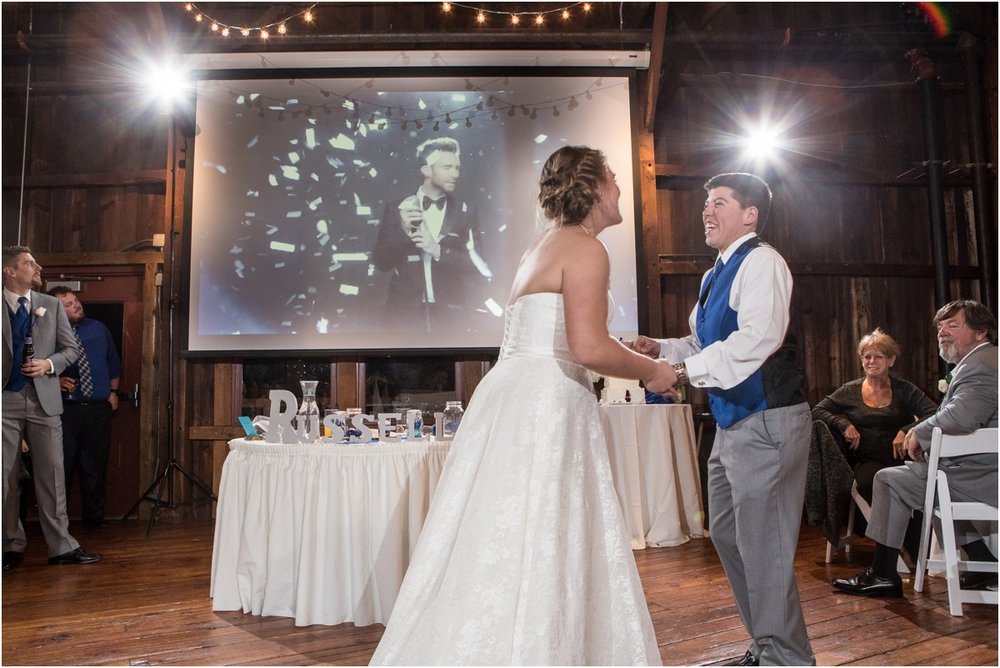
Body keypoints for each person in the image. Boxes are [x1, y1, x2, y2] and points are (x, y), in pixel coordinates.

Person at [369, 146, 678, 665]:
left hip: (514, 390)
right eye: (615, 179)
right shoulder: (585, 247)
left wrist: (627, 346)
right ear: (595, 189)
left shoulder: (545, 245)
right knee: (545, 528)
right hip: (547, 402)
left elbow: (557, 333)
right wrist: (653, 371)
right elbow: (585, 347)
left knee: (502, 528)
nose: (621, 188)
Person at [630, 173, 813, 666]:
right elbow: (702, 343)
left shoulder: (763, 262)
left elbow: (757, 338)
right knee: (731, 537)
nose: (706, 211)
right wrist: (660, 349)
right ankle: (768, 645)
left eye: (719, 203)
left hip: (768, 421)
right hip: (731, 424)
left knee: (765, 547)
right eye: (705, 203)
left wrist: (681, 372)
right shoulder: (715, 274)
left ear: (750, 214)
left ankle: (786, 659)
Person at [833, 299, 998, 597]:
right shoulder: (982, 362)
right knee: (912, 480)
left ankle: (883, 573)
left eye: (953, 325)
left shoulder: (981, 366)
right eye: (940, 327)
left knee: (889, 480)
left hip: (981, 474)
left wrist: (917, 433)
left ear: (981, 332)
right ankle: (980, 561)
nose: (943, 333)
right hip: (972, 467)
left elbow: (961, 416)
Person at [2, 246, 101, 569]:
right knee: (6, 476)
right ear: (10, 272)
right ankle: (10, 544)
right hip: (5, 400)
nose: (38, 266)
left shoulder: (50, 305)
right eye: (30, 263)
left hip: (44, 399)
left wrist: (48, 363)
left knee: (53, 474)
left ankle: (61, 546)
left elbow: (70, 350)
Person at [371, 137, 490, 333]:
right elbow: (382, 263)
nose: (455, 174)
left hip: (451, 318)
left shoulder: (465, 211)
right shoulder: (396, 209)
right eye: (447, 167)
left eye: (457, 168)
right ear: (426, 170)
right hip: (403, 317)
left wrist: (437, 250)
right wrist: (403, 231)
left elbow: (478, 266)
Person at [812, 328, 938, 505]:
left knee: (916, 485)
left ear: (891, 360)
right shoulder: (849, 390)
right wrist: (844, 424)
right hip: (867, 459)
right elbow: (817, 410)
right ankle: (887, 530)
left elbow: (935, 412)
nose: (872, 361)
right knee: (870, 484)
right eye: (867, 357)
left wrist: (907, 430)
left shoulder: (905, 389)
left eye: (878, 356)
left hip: (902, 458)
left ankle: (908, 530)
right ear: (861, 360)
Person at [49, 287, 121, 528]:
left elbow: (113, 362)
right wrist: (55, 381)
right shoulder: (48, 333)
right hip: (65, 411)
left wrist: (113, 391)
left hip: (98, 409)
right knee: (62, 467)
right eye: (68, 304)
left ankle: (95, 520)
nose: (76, 305)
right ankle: (59, 524)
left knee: (96, 466)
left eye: (75, 300)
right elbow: (36, 366)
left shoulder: (98, 328)